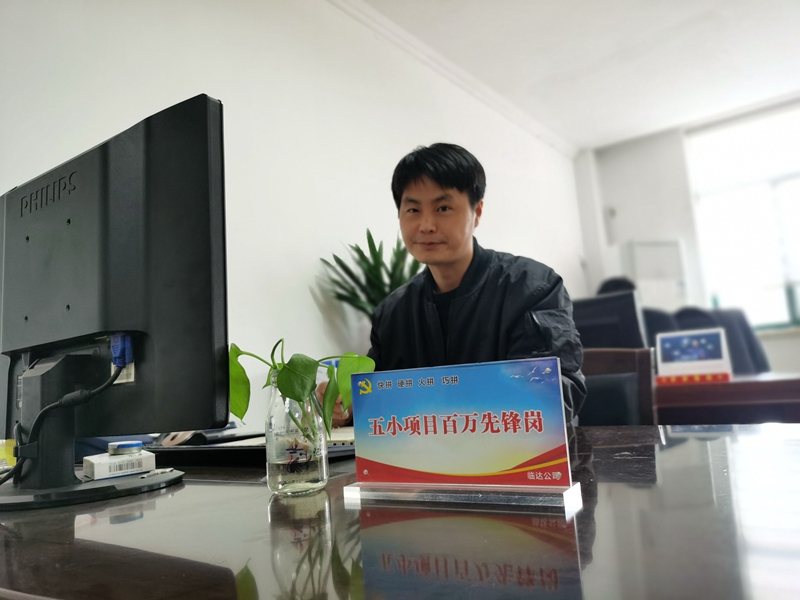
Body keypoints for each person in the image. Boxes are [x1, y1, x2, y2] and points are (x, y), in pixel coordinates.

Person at [331, 143, 585, 426]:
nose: (426, 225)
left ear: (477, 212)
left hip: (519, 451)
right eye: (413, 210)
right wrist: (347, 408)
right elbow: (376, 401)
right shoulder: (393, 312)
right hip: (425, 453)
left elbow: (557, 393)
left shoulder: (533, 288)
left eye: (443, 208)